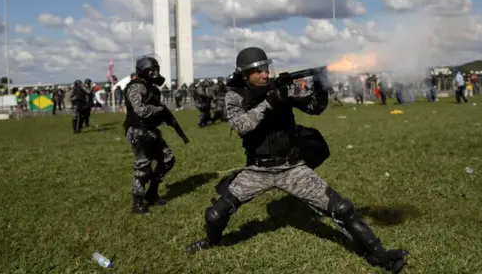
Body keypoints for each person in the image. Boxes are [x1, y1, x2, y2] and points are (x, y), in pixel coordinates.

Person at [185, 47, 409, 272]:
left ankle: (379, 255)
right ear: (245, 74)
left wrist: (320, 88)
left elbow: (315, 108)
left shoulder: (280, 88)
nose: (265, 74)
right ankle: (212, 241)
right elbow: (242, 126)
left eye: (266, 68)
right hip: (257, 170)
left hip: (292, 168)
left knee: (342, 209)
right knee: (215, 215)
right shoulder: (235, 95)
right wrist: (270, 102)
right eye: (258, 71)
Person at [123, 55, 177, 214]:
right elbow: (140, 110)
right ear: (143, 71)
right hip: (138, 131)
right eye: (151, 71)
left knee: (168, 159)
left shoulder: (151, 88)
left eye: (156, 70)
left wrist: (167, 118)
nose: (155, 74)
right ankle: (137, 201)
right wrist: (159, 111)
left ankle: (152, 193)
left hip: (151, 131)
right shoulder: (136, 87)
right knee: (143, 166)